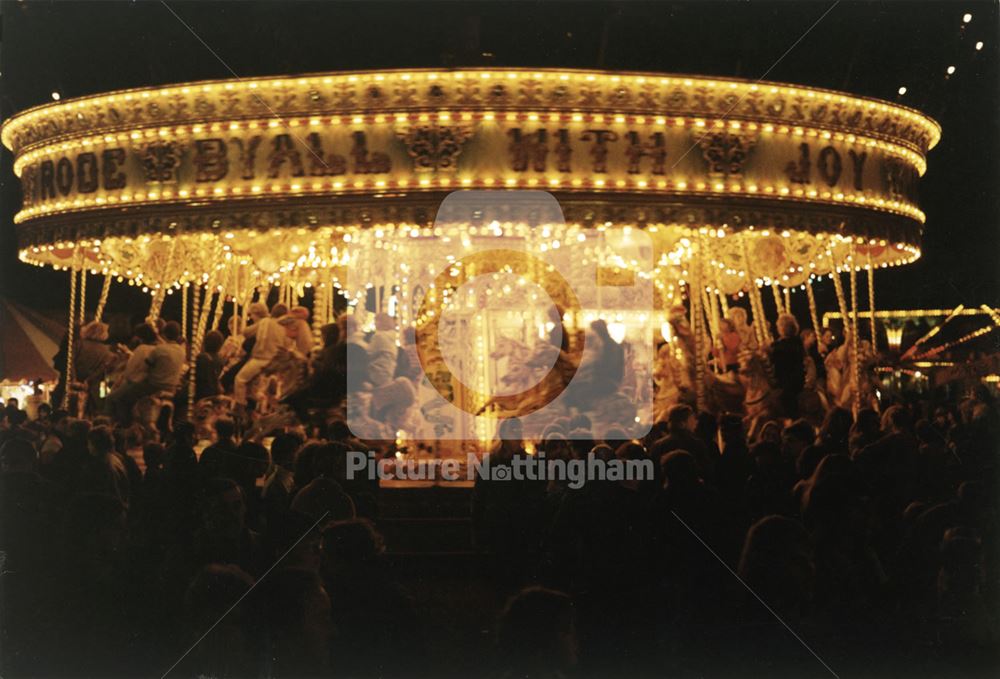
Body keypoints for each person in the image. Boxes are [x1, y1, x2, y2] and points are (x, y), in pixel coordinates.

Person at [234, 303, 289, 405]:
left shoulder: (265, 322)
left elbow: (246, 332)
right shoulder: (285, 327)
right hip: (276, 362)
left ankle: (240, 406)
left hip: (261, 359)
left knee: (240, 380)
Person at [770, 314, 806, 419]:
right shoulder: (781, 342)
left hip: (791, 379)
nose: (778, 329)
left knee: (786, 397)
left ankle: (791, 418)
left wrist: (770, 349)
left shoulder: (793, 343)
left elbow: (780, 355)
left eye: (779, 326)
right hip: (782, 377)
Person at [194, 329, 225, 401]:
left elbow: (190, 375)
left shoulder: (201, 358)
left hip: (199, 393)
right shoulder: (220, 360)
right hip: (212, 392)